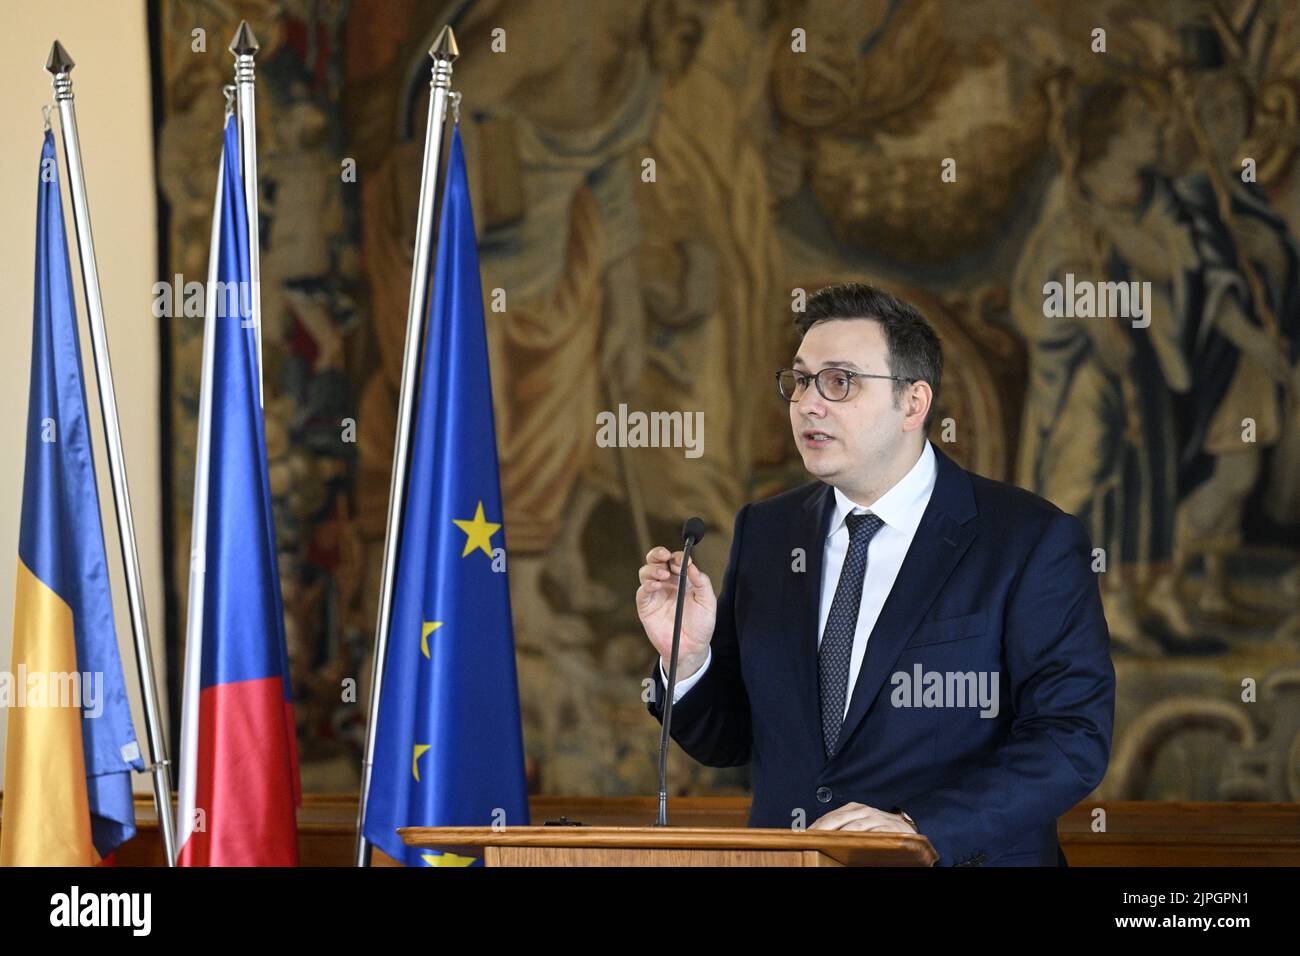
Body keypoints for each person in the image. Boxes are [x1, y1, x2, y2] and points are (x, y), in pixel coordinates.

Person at [638, 283, 1115, 866]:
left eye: (839, 382)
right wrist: (687, 662)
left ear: (914, 403)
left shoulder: (1029, 540)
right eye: (800, 380)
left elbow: (1071, 739)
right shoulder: (768, 530)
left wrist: (918, 828)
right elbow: (735, 738)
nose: (808, 403)